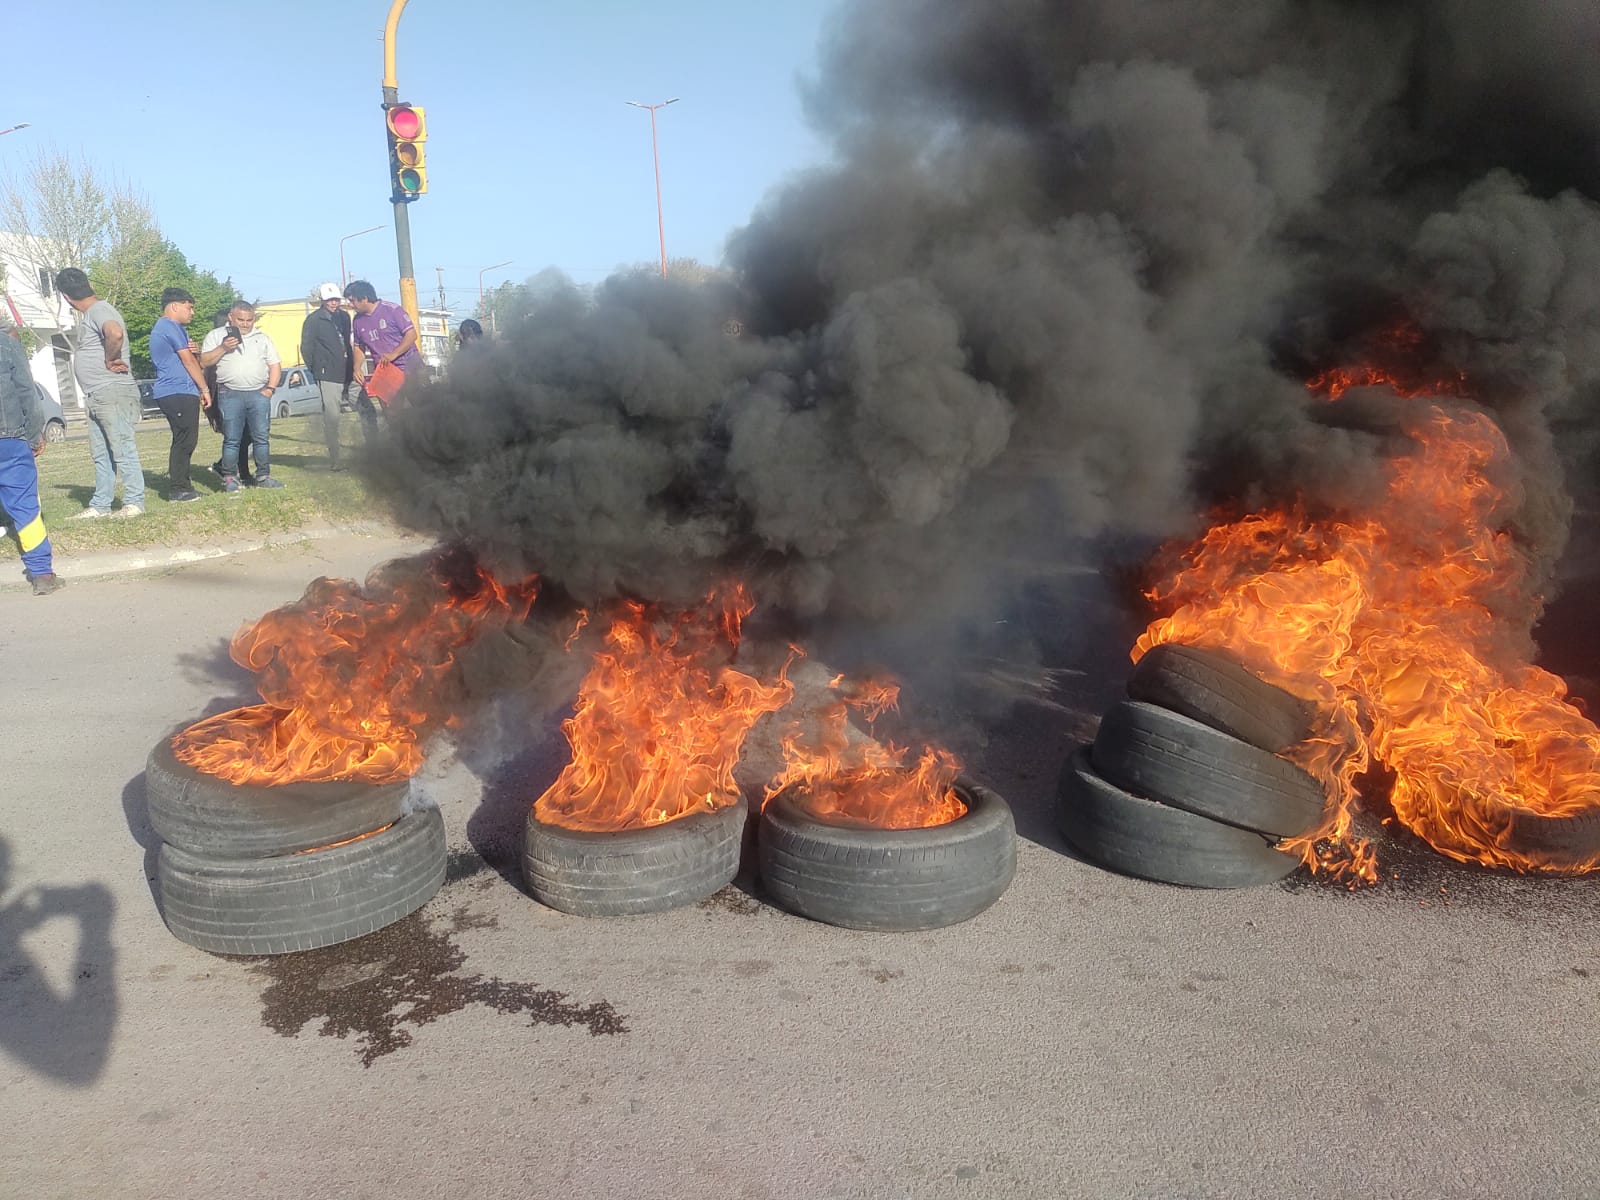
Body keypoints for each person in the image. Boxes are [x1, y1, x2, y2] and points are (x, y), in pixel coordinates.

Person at [54, 267, 145, 519]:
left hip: (112, 390)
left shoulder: (100, 310)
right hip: (97, 394)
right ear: (88, 284)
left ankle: (134, 502)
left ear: (65, 296)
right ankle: (101, 505)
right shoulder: (93, 313)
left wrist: (110, 358)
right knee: (101, 453)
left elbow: (114, 333)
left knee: (122, 447)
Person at [0, 326, 60, 594]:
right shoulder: (7, 345)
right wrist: (35, 435)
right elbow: (28, 394)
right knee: (25, 507)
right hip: (10, 439)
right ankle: (42, 574)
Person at [199, 301, 282, 493]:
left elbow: (275, 365)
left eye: (249, 320)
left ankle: (263, 476)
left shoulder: (262, 338)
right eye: (241, 320)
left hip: (258, 393)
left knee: (261, 437)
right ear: (230, 317)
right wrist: (223, 348)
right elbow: (204, 361)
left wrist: (270, 389)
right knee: (232, 438)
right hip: (230, 393)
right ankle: (230, 478)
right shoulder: (216, 336)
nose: (245, 324)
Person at [148, 287, 211, 501]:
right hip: (175, 390)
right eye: (189, 307)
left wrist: (197, 351)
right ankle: (178, 489)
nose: (192, 312)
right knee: (185, 439)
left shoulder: (177, 329)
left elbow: (194, 358)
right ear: (175, 306)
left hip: (183, 389)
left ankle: (184, 485)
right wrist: (204, 388)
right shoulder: (168, 326)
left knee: (186, 439)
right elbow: (187, 361)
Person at [299, 282, 354, 470]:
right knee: (332, 418)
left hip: (347, 371)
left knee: (365, 410)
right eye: (330, 300)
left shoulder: (345, 317)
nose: (334, 303)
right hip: (328, 374)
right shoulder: (313, 320)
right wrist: (318, 369)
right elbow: (306, 348)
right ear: (322, 301)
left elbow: (348, 343)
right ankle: (335, 460)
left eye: (336, 299)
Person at [345, 280, 420, 407]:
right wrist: (357, 367)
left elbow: (412, 335)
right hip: (384, 371)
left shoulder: (392, 310)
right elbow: (359, 347)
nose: (350, 305)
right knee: (391, 414)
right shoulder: (357, 321)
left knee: (422, 407)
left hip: (409, 366)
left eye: (352, 301)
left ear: (364, 299)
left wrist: (393, 354)